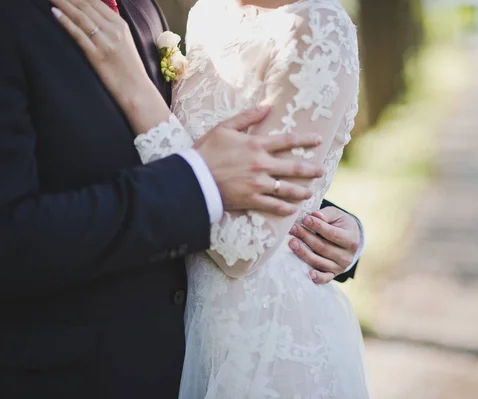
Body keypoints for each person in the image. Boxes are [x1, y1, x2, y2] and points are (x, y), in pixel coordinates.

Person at [0, 0, 365, 398]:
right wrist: (200, 180)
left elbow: (207, 160)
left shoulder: (142, 9)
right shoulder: (15, 19)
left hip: (257, 341)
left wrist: (321, 220)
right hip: (75, 367)